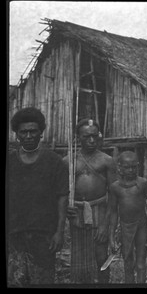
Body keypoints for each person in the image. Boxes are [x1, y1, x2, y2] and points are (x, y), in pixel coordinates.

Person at [8, 107, 69, 285]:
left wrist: (59, 232)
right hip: (14, 234)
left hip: (44, 236)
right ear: (16, 135)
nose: (28, 136)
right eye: (23, 132)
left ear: (41, 133)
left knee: (42, 280)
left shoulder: (54, 162)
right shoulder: (10, 161)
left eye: (33, 131)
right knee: (15, 280)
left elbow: (62, 198)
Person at [65, 118, 117, 284]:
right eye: (87, 136)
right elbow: (61, 191)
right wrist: (67, 206)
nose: (92, 140)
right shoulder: (68, 161)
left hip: (99, 209)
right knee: (79, 254)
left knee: (100, 253)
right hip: (77, 211)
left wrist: (105, 225)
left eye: (95, 136)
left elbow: (114, 194)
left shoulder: (106, 160)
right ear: (77, 137)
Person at [108, 151, 147, 283]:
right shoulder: (115, 187)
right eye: (127, 167)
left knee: (140, 264)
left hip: (141, 226)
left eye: (134, 167)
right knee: (128, 262)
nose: (131, 170)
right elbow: (114, 212)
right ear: (119, 167)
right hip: (125, 227)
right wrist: (111, 235)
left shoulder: (143, 183)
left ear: (138, 166)